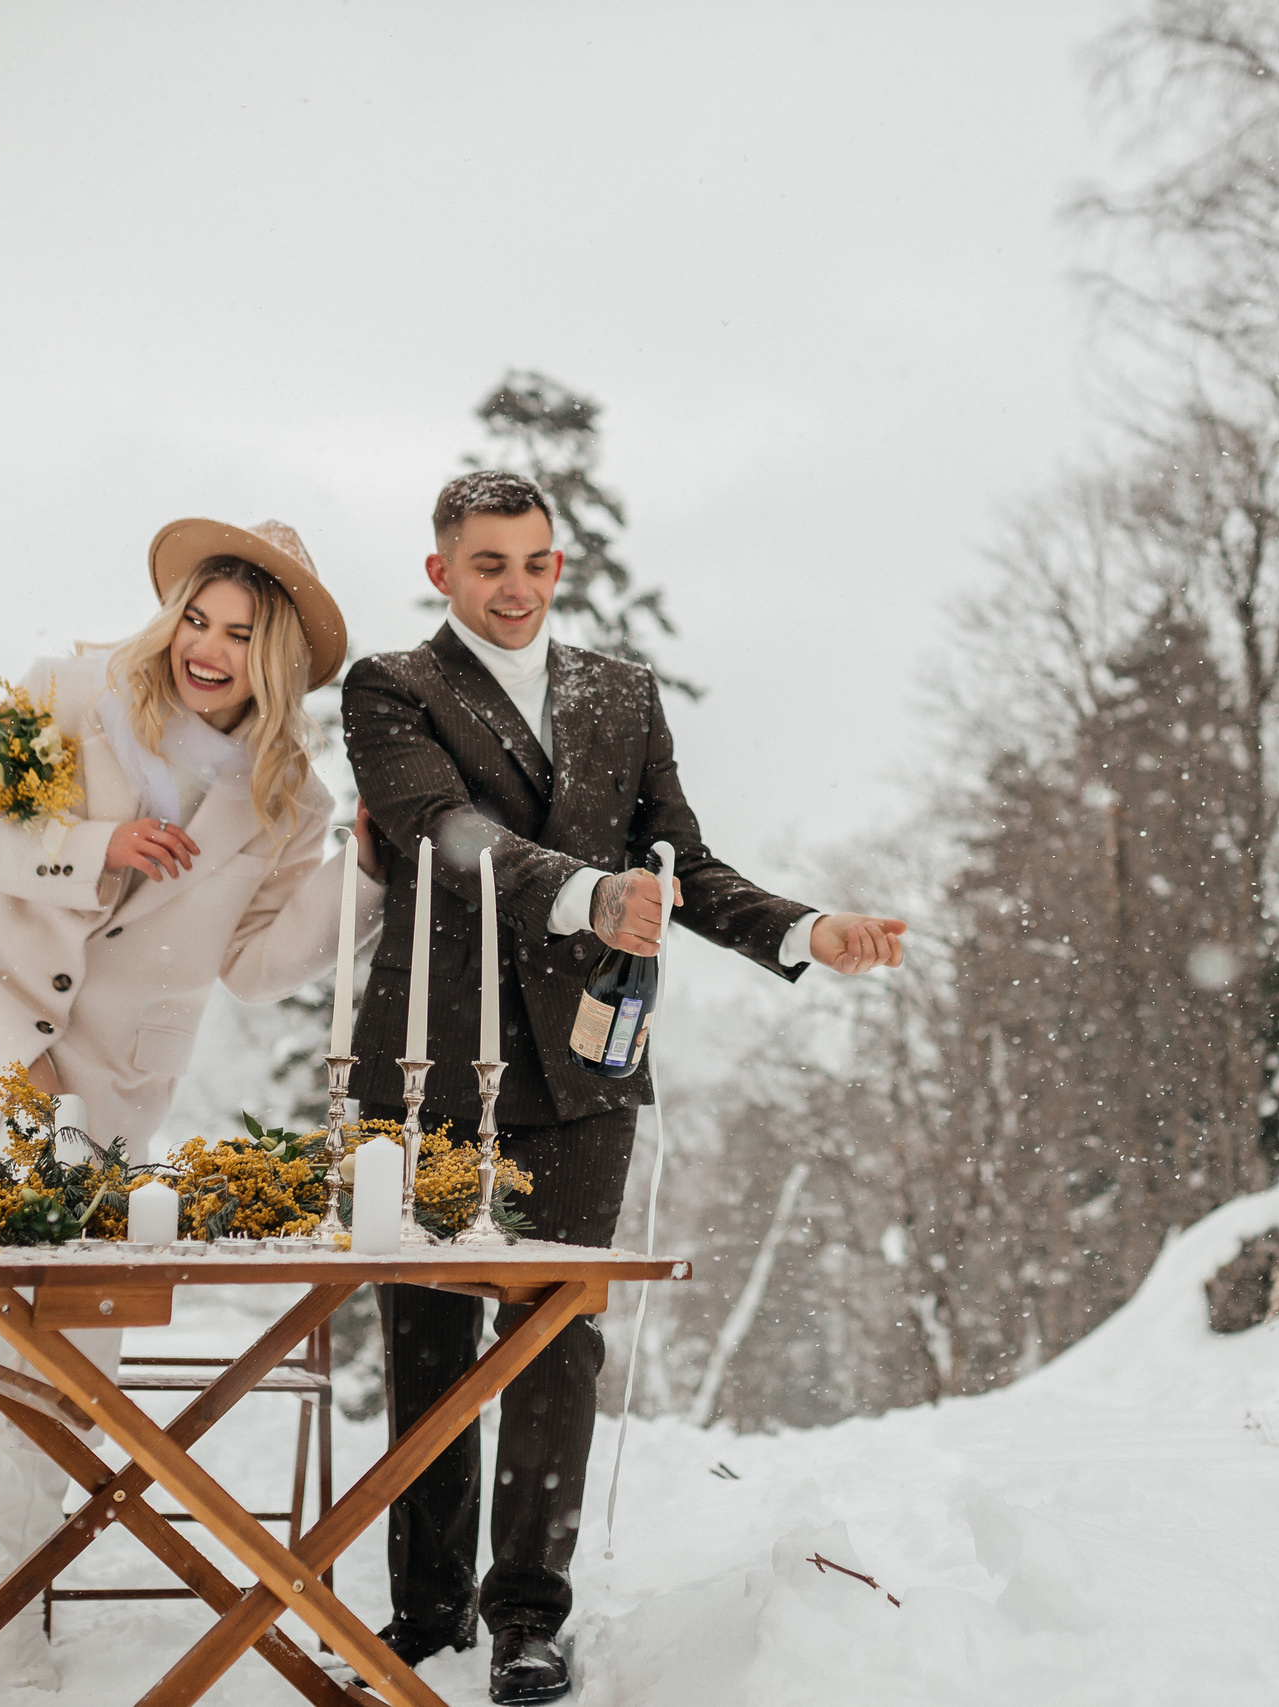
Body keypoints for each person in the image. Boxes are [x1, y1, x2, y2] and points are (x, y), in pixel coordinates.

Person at [342, 470, 906, 1703]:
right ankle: (423, 1610)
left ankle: (527, 1620)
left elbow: (680, 862)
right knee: (427, 1346)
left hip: (584, 1068)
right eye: (489, 563)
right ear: (442, 571)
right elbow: (439, 827)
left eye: (535, 561)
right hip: (430, 1062)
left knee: (554, 1341)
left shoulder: (620, 692)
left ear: (559, 564)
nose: (517, 587)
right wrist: (588, 894)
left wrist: (803, 930)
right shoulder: (393, 686)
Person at [0, 518, 385, 1688]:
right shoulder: (62, 690)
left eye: (240, 635)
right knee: (0, 1215)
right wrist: (95, 843)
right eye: (197, 619)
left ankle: (20, 1584)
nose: (208, 648)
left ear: (275, 661)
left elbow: (255, 964)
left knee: (71, 1313)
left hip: (114, 1057)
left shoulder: (291, 800)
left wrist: (366, 875)